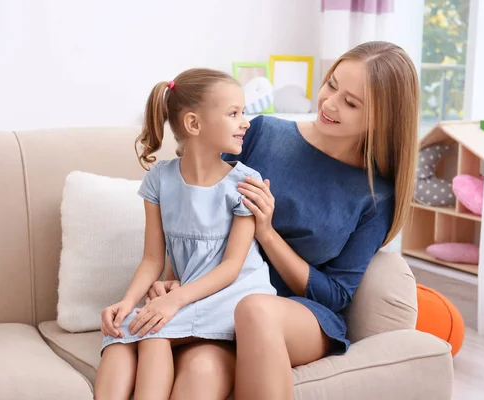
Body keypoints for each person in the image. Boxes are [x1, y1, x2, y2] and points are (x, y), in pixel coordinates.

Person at [144, 41, 420, 400]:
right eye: (331, 84)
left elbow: (336, 294)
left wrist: (267, 233)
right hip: (217, 301)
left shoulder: (376, 194)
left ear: (383, 118)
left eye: (351, 103)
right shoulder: (263, 133)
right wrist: (173, 277)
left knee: (256, 309)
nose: (330, 103)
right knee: (200, 370)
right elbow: (193, 205)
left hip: (298, 315)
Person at [94, 68, 277, 400]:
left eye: (243, 112)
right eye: (234, 113)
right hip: (186, 295)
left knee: (151, 331)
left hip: (231, 296)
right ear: (194, 124)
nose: (246, 121)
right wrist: (127, 301)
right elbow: (152, 258)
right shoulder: (159, 180)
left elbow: (231, 268)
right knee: (122, 330)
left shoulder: (245, 183)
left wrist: (171, 301)